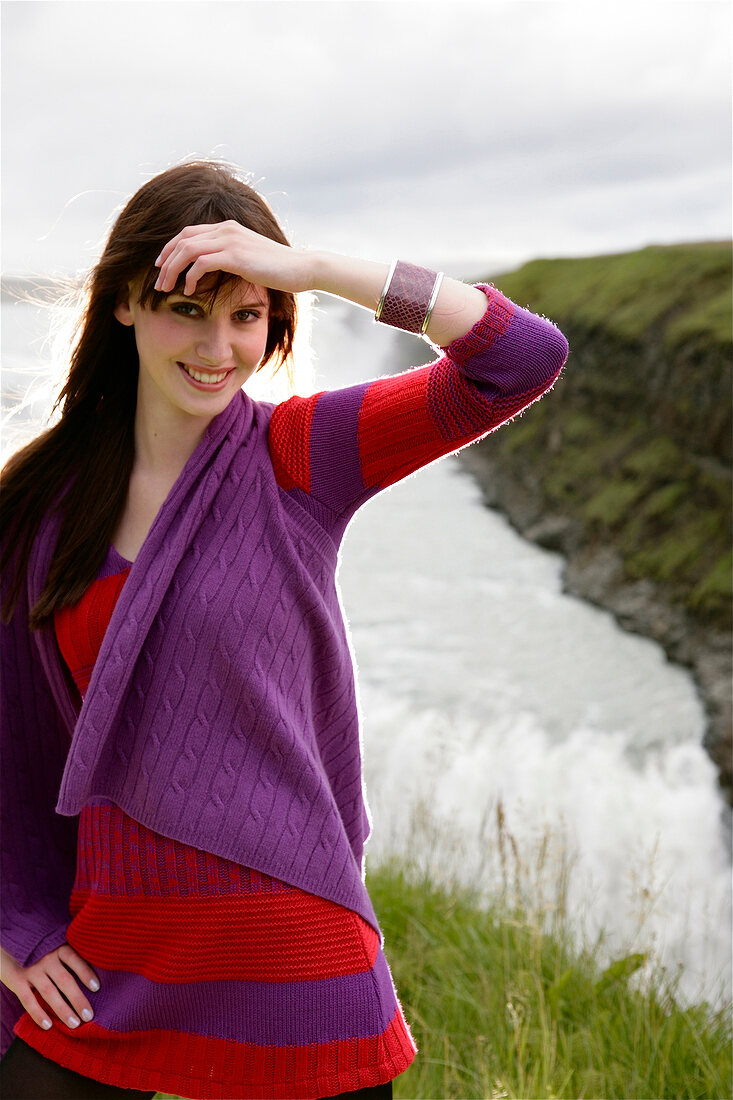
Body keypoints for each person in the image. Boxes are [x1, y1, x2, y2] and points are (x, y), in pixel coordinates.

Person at [0, 159, 569, 1099]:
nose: (218, 346)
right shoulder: (40, 509)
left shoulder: (298, 457)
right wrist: (11, 928)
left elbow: (520, 359)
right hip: (110, 954)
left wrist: (315, 267)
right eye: (187, 307)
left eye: (248, 314)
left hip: (295, 956)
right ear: (124, 306)